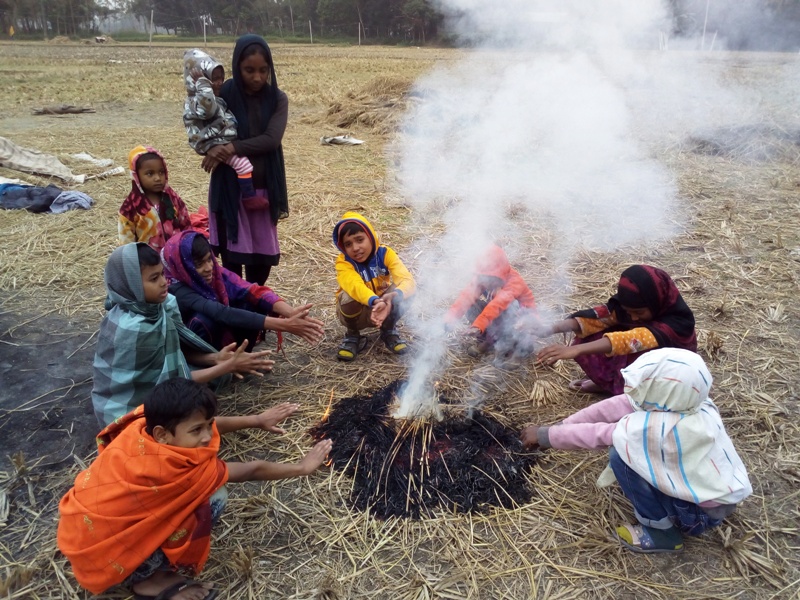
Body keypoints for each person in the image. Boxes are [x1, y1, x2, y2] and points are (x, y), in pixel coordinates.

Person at [58, 377, 332, 599]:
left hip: (80, 534)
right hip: (113, 559)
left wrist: (257, 419)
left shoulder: (140, 427)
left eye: (208, 425)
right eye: (197, 430)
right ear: (162, 435)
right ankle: (149, 578)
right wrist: (301, 468)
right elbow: (251, 469)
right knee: (214, 496)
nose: (206, 436)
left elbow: (206, 424)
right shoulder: (179, 471)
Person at [521, 348, 751, 554]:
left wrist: (545, 436)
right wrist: (562, 426)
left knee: (621, 457)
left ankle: (662, 532)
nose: (635, 392)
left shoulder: (662, 429)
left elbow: (601, 435)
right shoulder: (693, 403)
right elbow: (615, 406)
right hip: (719, 497)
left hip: (696, 514)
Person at [92, 243, 273, 427]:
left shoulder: (153, 307)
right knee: (189, 424)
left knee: (206, 387)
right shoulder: (136, 328)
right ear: (130, 285)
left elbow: (174, 353)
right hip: (124, 414)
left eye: (162, 274)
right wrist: (226, 366)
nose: (163, 282)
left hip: (153, 387)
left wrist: (216, 358)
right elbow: (170, 385)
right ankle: (255, 421)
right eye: (154, 279)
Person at [202, 35, 288, 285]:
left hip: (263, 188)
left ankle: (257, 311)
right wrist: (210, 148)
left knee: (261, 257)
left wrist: (231, 147)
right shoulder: (225, 93)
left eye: (263, 70)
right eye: (249, 70)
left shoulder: (277, 99)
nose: (258, 77)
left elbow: (271, 139)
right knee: (232, 256)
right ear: (237, 67)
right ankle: (237, 314)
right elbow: (204, 125)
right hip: (229, 188)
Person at [535, 265, 696, 395]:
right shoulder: (629, 308)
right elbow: (596, 320)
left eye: (639, 312)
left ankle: (632, 392)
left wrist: (575, 350)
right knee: (590, 334)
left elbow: (631, 341)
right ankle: (610, 385)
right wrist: (549, 328)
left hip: (669, 378)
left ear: (656, 301)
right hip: (641, 361)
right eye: (628, 311)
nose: (633, 318)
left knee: (622, 344)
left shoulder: (677, 323)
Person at [163, 230, 324, 350]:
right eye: (198, 264)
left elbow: (249, 289)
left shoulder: (215, 273)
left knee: (251, 302)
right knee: (204, 320)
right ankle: (217, 369)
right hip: (191, 354)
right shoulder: (175, 288)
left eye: (209, 260)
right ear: (183, 266)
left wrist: (291, 313)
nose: (208, 268)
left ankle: (240, 356)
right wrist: (284, 324)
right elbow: (221, 313)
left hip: (220, 332)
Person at [332, 211, 415, 361]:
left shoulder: (385, 253)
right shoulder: (343, 262)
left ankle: (388, 329)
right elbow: (354, 285)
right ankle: (352, 334)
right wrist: (375, 301)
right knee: (348, 296)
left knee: (405, 289)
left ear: (371, 237)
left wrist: (393, 296)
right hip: (360, 313)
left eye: (359, 239)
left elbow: (407, 279)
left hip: (384, 307)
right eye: (348, 244)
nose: (355, 248)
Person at [182, 48, 260, 207]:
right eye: (213, 78)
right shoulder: (198, 101)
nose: (219, 83)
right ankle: (249, 198)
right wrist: (203, 84)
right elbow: (208, 110)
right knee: (243, 165)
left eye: (221, 78)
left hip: (219, 142)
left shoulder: (216, 97)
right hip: (213, 144)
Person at [443, 244, 538, 363]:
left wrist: (478, 326)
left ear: (499, 274)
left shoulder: (514, 282)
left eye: (489, 279)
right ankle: (490, 340)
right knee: (472, 304)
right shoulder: (484, 279)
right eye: (483, 278)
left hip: (521, 321)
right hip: (497, 315)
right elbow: (465, 297)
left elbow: (497, 306)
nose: (485, 282)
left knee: (508, 309)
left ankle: (518, 350)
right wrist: (450, 318)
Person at [119, 146, 191, 252]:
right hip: (150, 264)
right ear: (136, 176)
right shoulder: (130, 207)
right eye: (150, 173)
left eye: (161, 172)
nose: (158, 178)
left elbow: (186, 225)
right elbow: (126, 243)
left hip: (176, 257)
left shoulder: (172, 198)